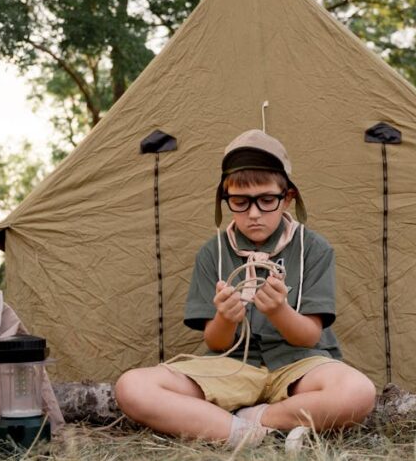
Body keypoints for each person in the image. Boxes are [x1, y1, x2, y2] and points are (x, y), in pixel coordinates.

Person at [115, 129, 376, 449]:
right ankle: (247, 433)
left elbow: (309, 336)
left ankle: (254, 419)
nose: (253, 214)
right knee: (132, 387)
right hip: (232, 365)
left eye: (267, 200)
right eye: (240, 202)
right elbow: (215, 341)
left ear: (288, 197)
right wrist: (226, 317)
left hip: (301, 365)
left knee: (357, 392)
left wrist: (278, 311)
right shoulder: (213, 252)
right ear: (225, 199)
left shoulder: (314, 248)